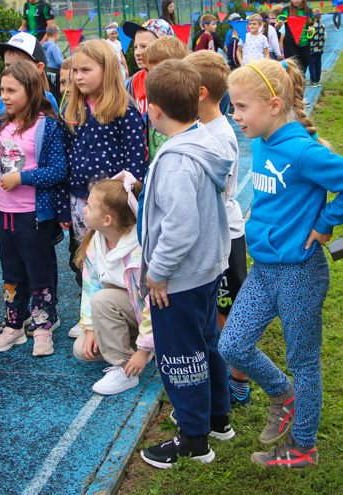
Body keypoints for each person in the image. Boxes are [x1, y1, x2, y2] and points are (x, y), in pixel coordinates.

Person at [218, 58, 343, 469]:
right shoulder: (262, 141)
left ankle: (304, 447)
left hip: (300, 273)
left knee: (303, 359)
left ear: (273, 105)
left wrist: (324, 224)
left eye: (241, 108)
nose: (235, 117)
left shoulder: (303, 151)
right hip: (264, 268)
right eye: (232, 107)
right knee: (232, 343)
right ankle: (283, 394)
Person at [139, 59, 233, 469]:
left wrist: (157, 273)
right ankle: (217, 418)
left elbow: (179, 227)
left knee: (182, 355)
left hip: (180, 278)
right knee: (207, 343)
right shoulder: (202, 140)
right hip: (208, 268)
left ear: (153, 109)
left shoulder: (177, 160)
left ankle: (194, 439)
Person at [62, 39, 148, 340]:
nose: (78, 77)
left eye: (86, 69)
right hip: (79, 200)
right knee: (84, 257)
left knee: (120, 262)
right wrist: (65, 204)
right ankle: (92, 315)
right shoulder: (73, 109)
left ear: (107, 69)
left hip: (113, 207)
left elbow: (137, 163)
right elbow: (67, 157)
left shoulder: (124, 110)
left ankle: (132, 319)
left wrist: (117, 200)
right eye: (75, 70)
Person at [184, 51, 250, 406]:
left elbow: (217, 193)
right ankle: (225, 376)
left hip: (224, 237)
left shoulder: (219, 135)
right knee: (216, 314)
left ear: (200, 92)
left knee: (229, 316)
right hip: (212, 235)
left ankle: (238, 381)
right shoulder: (202, 128)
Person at [0, 61, 68, 356]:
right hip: (4, 212)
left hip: (33, 216)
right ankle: (14, 325)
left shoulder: (47, 126)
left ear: (32, 90)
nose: (5, 96)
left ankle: (43, 327)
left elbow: (59, 170)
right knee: (11, 272)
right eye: (2, 90)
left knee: (39, 272)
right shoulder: (0, 125)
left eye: (12, 90)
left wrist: (23, 177)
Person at [72, 173, 153, 395]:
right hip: (124, 313)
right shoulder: (95, 241)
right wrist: (89, 329)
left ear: (107, 219)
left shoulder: (138, 253)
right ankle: (137, 344)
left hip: (147, 316)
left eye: (89, 206)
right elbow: (90, 288)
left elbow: (152, 305)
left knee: (104, 300)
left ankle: (124, 368)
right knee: (81, 350)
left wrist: (143, 351)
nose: (84, 209)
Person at [141, 36, 190, 159]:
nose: (148, 77)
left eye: (155, 72)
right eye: (147, 71)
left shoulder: (188, 104)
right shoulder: (154, 98)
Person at [0, 32, 61, 115]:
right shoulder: (2, 101)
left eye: (20, 65)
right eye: (8, 65)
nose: (12, 71)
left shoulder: (47, 100)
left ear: (39, 67)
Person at [122, 18, 174, 124]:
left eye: (144, 46)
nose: (137, 52)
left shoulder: (178, 80)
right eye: (135, 47)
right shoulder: (135, 80)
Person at [282, 0, 313, 75]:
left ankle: (301, 88)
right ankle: (292, 88)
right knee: (292, 69)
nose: (295, 1)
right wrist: (278, 24)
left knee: (303, 69)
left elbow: (312, 25)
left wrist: (311, 30)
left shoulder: (308, 11)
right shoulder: (286, 10)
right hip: (290, 43)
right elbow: (278, 23)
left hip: (305, 43)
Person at [307, 9, 325, 87]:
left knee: (312, 65)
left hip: (312, 49)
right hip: (320, 48)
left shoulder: (310, 26)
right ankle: (317, 80)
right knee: (318, 64)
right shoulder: (322, 26)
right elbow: (324, 37)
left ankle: (313, 81)